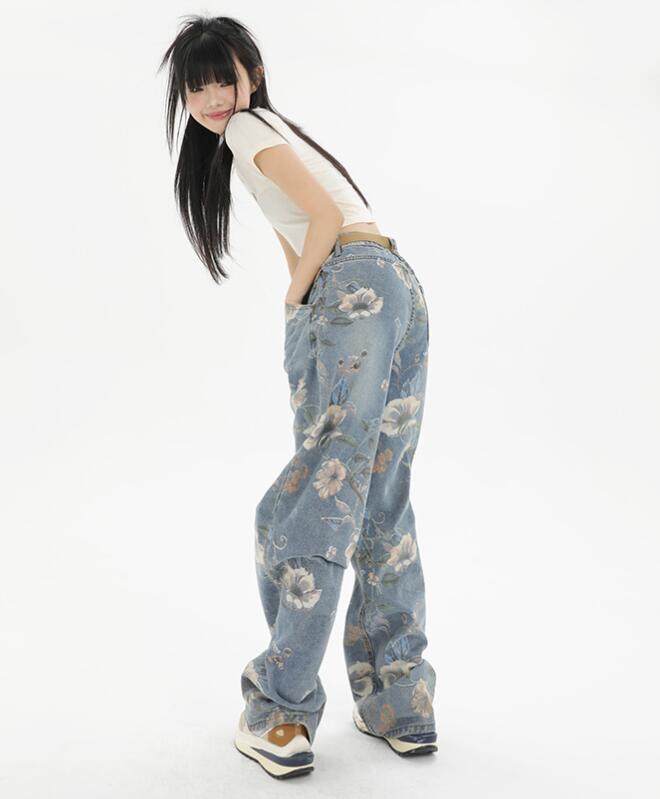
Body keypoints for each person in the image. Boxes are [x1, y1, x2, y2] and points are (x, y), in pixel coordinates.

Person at [159, 15, 437, 779]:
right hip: (398, 283)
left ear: (251, 72)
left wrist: (295, 307)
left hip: (352, 286)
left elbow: (321, 221)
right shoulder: (269, 133)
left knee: (318, 495)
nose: (212, 97)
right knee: (380, 494)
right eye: (195, 87)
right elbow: (307, 225)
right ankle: (400, 700)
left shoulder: (250, 129)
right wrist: (302, 301)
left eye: (222, 77)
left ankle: (281, 711)